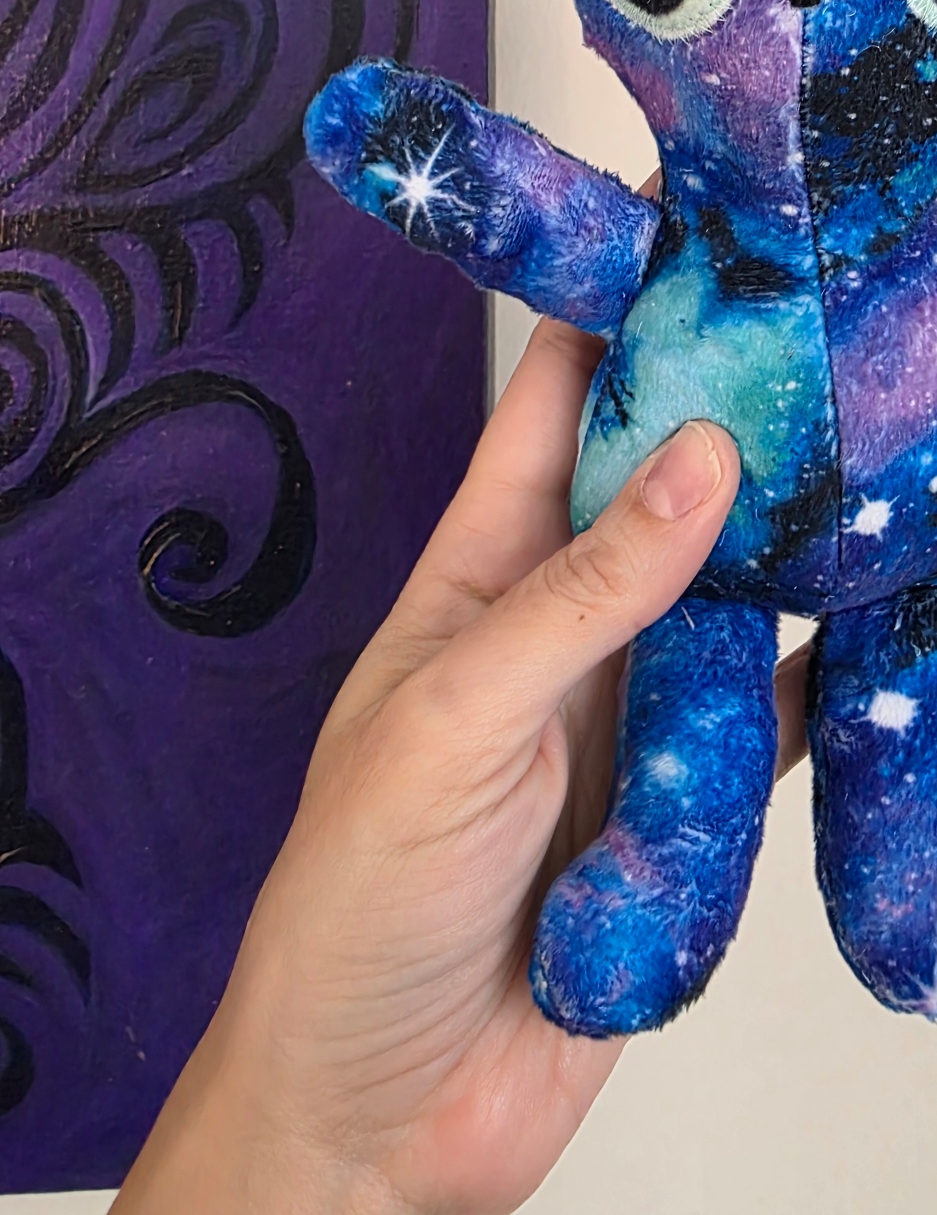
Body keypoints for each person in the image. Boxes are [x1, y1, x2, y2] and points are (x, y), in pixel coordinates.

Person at [113, 315, 794, 1215]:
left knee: (773, 724)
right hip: (706, 584)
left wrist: (319, 1145)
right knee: (720, 735)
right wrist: (324, 1146)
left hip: (774, 566)